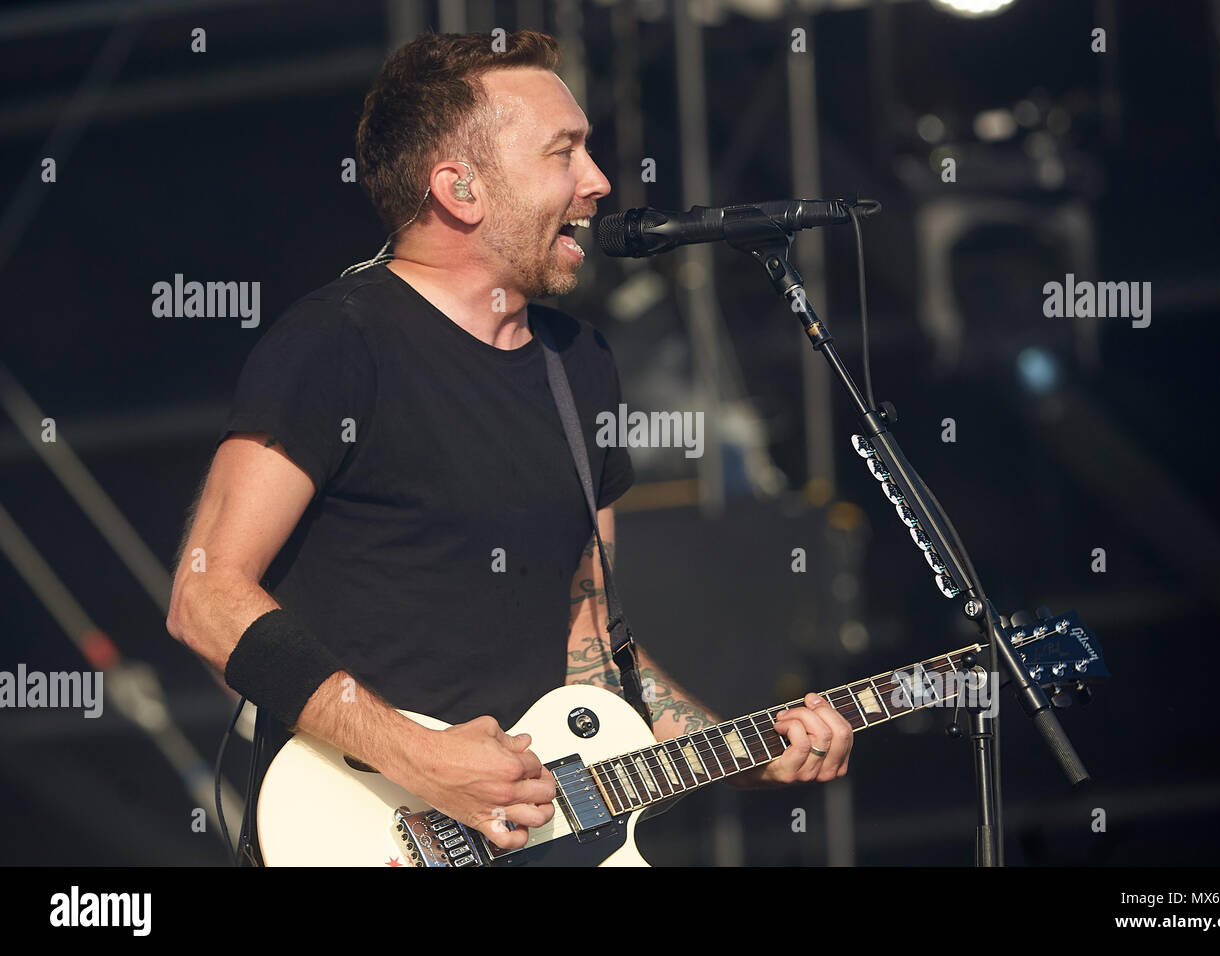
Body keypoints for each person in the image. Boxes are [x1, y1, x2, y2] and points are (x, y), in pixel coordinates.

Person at [165, 28, 852, 865]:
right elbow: (206, 599)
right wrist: (420, 757)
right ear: (460, 187)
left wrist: (745, 755)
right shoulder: (339, 344)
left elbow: (593, 651)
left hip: (534, 833)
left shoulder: (581, 365)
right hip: (367, 824)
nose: (598, 183)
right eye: (563, 153)